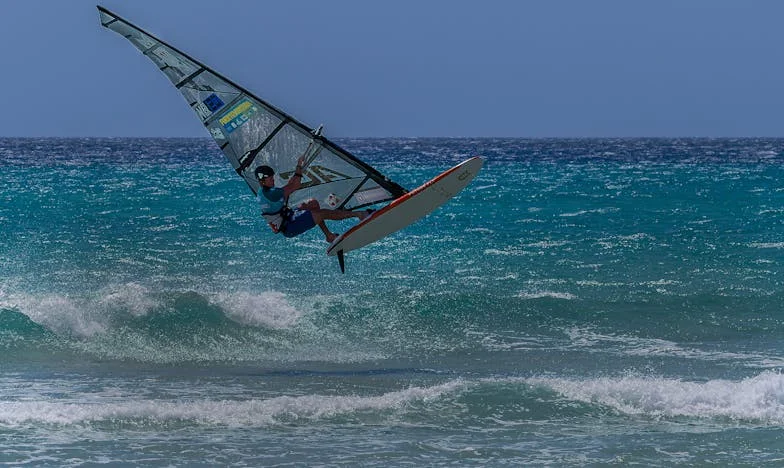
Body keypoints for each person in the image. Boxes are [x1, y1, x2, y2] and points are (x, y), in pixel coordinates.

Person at [255, 156, 371, 243]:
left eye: (272, 177)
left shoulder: (263, 192)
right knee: (322, 214)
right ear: (262, 180)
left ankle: (329, 236)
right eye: (270, 178)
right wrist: (299, 166)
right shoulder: (273, 193)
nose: (273, 180)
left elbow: (288, 188)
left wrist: (295, 177)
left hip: (288, 217)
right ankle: (359, 214)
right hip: (290, 227)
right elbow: (295, 185)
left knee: (313, 203)